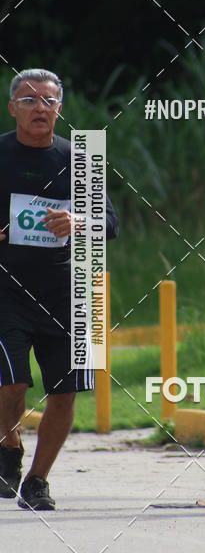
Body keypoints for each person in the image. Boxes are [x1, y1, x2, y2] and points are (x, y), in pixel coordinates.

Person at [0, 69, 119, 511]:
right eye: (29, 101)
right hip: (7, 289)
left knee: (64, 393)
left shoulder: (80, 160)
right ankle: (9, 444)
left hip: (69, 290)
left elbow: (110, 224)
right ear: (12, 108)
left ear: (60, 110)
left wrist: (78, 221)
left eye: (48, 101)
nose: (40, 108)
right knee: (12, 384)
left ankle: (37, 481)